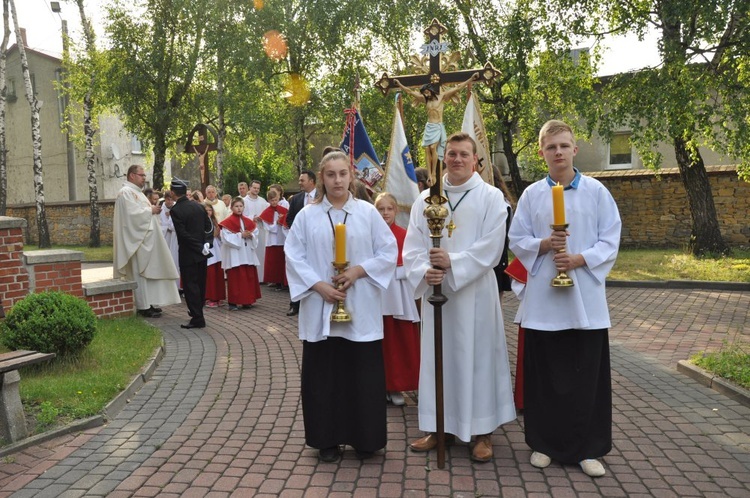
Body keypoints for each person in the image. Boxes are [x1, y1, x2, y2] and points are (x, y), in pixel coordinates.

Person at [508, 119, 621, 478]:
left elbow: (611, 239)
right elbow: (517, 239)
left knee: (586, 378)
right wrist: (544, 244)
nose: (557, 152)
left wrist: (578, 259)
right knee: (544, 378)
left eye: (563, 145)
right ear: (542, 152)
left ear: (574, 149)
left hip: (584, 301)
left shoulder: (597, 192)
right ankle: (544, 444)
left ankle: (588, 448)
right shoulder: (531, 195)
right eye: (550, 147)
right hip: (545, 302)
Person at [403, 132, 516, 463]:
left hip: (476, 294)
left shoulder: (492, 198)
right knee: (440, 359)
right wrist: (426, 270)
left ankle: (482, 432)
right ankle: (440, 427)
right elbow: (412, 247)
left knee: (479, 360)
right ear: (444, 159)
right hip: (439, 296)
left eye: (464, 154)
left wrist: (453, 262)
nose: (456, 159)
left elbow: (493, 247)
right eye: (451, 154)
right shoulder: (427, 200)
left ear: (475, 160)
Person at [285, 151, 397, 462]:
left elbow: (388, 251)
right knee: (324, 378)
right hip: (321, 307)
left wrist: (357, 271)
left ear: (351, 176)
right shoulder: (307, 216)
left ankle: (366, 439)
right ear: (322, 178)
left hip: (359, 306)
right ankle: (327, 440)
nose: (337, 180)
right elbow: (293, 255)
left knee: (363, 377)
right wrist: (318, 286)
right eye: (331, 174)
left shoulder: (367, 213)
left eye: (342, 174)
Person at [113, 165, 180, 318]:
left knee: (148, 273)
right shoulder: (125, 193)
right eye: (141, 175)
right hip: (136, 241)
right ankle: (143, 306)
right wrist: (150, 210)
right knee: (139, 273)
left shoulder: (137, 193)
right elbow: (131, 216)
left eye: (144, 175)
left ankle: (149, 302)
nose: (144, 178)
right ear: (131, 175)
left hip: (145, 239)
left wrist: (151, 210)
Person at [374, 192, 420, 406]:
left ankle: (396, 386)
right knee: (378, 342)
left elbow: (412, 262)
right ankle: (379, 385)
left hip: (399, 296)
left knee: (397, 342)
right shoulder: (370, 234)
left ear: (396, 210)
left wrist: (399, 268)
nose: (385, 213)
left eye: (389, 209)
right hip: (377, 296)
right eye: (381, 209)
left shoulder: (405, 235)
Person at [394, 73, 479, 186]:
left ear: (431, 90)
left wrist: (470, 79)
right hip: (429, 126)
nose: (426, 94)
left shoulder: (441, 97)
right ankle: (429, 173)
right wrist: (399, 84)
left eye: (427, 92)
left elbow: (457, 88)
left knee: (433, 148)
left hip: (437, 126)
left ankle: (433, 173)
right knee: (427, 149)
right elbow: (410, 92)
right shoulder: (425, 100)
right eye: (424, 93)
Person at [169, 178, 213, 329]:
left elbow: (183, 235)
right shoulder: (199, 206)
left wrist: (200, 246)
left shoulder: (175, 210)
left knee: (190, 285)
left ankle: (197, 317)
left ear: (173, 193)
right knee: (200, 284)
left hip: (189, 253)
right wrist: (207, 243)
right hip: (202, 253)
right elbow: (209, 227)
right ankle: (198, 313)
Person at [220, 197, 262, 311]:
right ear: (232, 207)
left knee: (248, 276)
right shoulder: (227, 222)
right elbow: (225, 238)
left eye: (241, 206)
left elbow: (255, 233)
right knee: (235, 278)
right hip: (235, 254)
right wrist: (240, 236)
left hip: (247, 253)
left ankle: (247, 300)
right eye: (236, 206)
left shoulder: (248, 221)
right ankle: (233, 302)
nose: (239, 209)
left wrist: (251, 235)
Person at [284, 169, 317, 316]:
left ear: (311, 181)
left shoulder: (323, 197)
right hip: (301, 242)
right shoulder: (296, 199)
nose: (299, 183)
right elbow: (289, 218)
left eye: (302, 180)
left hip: (317, 243)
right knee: (298, 271)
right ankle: (295, 304)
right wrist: (298, 231)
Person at [259, 189, 288, 290]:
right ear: (269, 201)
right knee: (274, 263)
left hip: (283, 239)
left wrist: (283, 220)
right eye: (272, 200)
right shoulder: (266, 212)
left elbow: (288, 222)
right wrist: (278, 222)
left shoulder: (283, 210)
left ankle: (284, 281)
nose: (274, 202)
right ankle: (277, 282)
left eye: (276, 200)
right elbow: (268, 228)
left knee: (282, 261)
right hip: (272, 240)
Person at [243, 180, 270, 282]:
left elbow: (267, 213)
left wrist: (262, 218)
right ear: (250, 188)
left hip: (261, 229)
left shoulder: (263, 201)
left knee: (261, 252)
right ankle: (252, 278)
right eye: (254, 188)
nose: (256, 190)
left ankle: (262, 277)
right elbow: (242, 215)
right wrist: (252, 217)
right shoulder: (244, 201)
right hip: (250, 230)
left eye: (258, 188)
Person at [203, 201, 226, 307]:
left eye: (210, 210)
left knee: (218, 274)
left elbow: (219, 236)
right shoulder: (201, 222)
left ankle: (218, 297)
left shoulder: (214, 221)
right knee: (210, 275)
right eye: (206, 210)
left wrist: (219, 234)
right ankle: (210, 297)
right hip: (208, 251)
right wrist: (213, 235)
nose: (208, 212)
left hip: (217, 250)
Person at [160, 191, 180, 286]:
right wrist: (167, 226)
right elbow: (159, 224)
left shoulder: (177, 206)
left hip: (175, 238)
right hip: (166, 237)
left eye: (172, 199)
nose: (170, 201)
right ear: (165, 199)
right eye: (168, 199)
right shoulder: (160, 208)